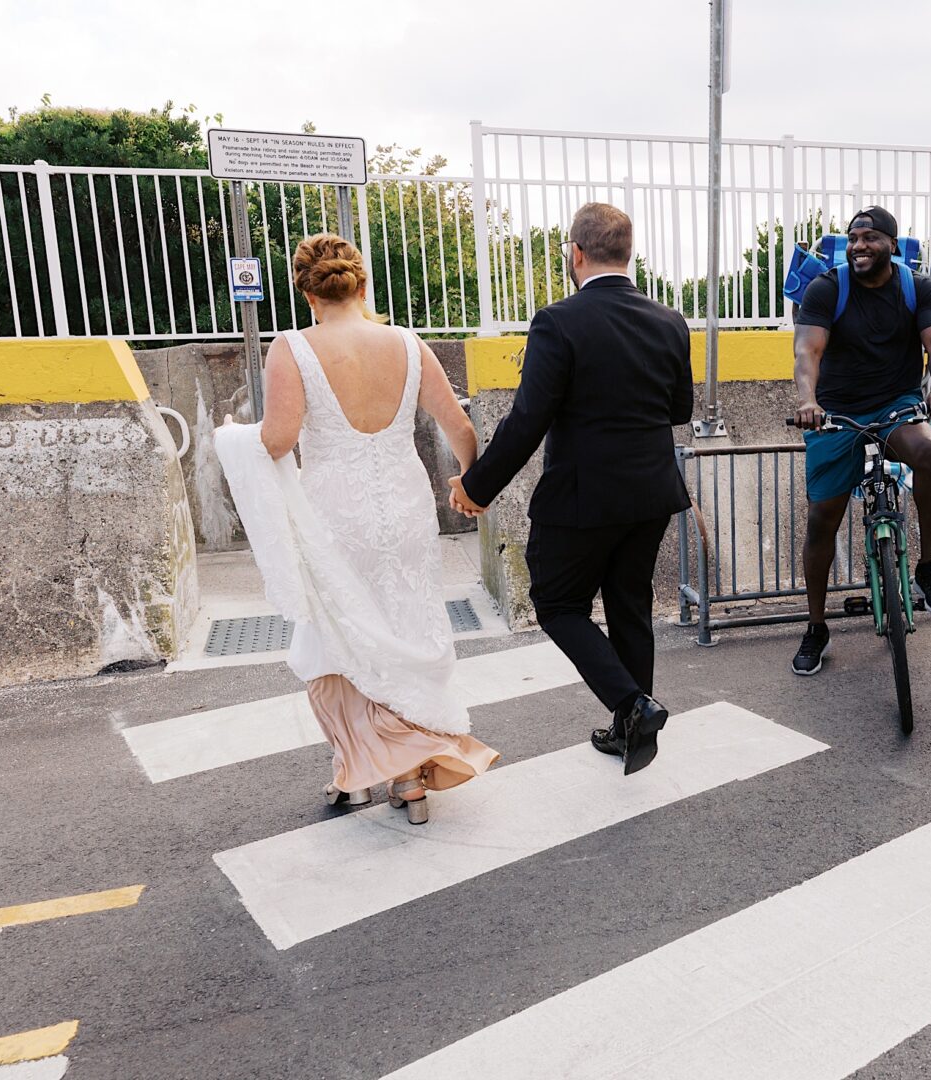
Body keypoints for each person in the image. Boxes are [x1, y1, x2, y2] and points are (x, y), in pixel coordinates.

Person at [215, 233, 498, 824]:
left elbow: (278, 440)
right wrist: (468, 488)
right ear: (363, 286)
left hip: (335, 513)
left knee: (340, 636)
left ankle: (357, 775)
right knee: (407, 623)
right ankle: (410, 779)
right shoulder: (408, 343)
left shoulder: (292, 347)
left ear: (307, 293)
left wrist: (229, 435)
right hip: (405, 506)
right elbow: (460, 429)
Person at [449, 202, 692, 776]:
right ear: (627, 254)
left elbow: (528, 418)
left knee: (557, 604)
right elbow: (678, 408)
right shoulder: (669, 320)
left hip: (583, 497)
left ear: (575, 254)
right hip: (653, 490)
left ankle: (633, 705)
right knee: (629, 605)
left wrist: (478, 486)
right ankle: (630, 729)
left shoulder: (558, 321)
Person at [790, 206, 931, 676]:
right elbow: (807, 350)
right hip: (836, 411)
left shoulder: (916, 286)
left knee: (930, 451)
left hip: (895, 405)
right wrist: (808, 400)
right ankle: (817, 626)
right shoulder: (828, 287)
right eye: (852, 238)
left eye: (869, 238)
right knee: (822, 519)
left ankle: (927, 567)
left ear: (891, 244)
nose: (859, 246)